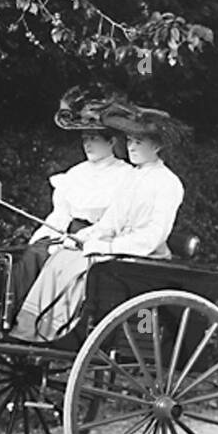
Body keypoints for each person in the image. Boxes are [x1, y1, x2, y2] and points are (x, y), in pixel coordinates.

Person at [10, 105, 186, 343]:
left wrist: (108, 247)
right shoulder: (133, 178)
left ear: (157, 146)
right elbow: (110, 222)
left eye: (139, 142)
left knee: (77, 265)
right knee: (62, 256)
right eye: (130, 141)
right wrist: (83, 237)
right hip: (119, 246)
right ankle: (31, 327)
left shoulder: (168, 183)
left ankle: (56, 329)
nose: (131, 147)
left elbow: (153, 236)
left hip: (144, 254)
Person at [9, 95, 132, 310]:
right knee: (31, 253)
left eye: (94, 139)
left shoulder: (125, 176)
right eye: (85, 139)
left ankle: (29, 316)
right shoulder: (76, 173)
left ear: (111, 142)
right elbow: (60, 215)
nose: (88, 144)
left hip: (98, 241)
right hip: (66, 236)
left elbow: (114, 222)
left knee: (43, 258)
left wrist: (82, 239)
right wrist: (44, 237)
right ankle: (10, 312)